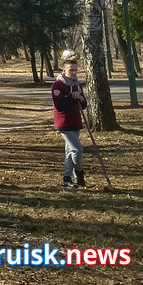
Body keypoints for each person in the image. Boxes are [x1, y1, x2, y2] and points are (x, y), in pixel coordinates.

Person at [52, 51, 86, 188]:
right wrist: (72, 96)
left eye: (76, 70)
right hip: (63, 123)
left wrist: (81, 98)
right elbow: (60, 105)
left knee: (69, 152)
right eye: (71, 70)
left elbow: (83, 105)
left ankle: (66, 178)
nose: (74, 72)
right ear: (64, 70)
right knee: (77, 150)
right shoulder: (58, 85)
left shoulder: (77, 84)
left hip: (75, 122)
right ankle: (79, 172)